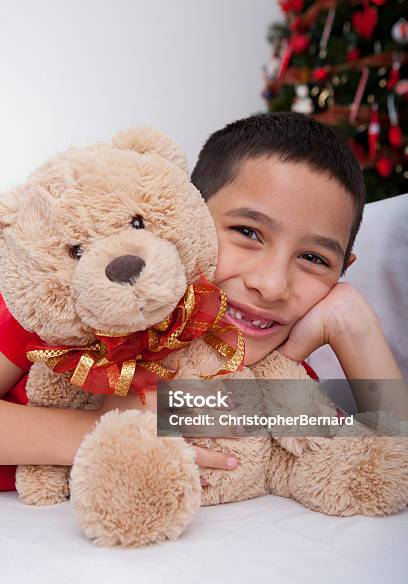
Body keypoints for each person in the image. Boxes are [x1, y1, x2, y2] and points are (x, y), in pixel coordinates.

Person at [0, 112, 404, 492]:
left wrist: (356, 328)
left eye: (314, 259)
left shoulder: (274, 378)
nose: (272, 285)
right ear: (188, 212)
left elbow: (389, 460)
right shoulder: (76, 308)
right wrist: (104, 430)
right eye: (247, 232)